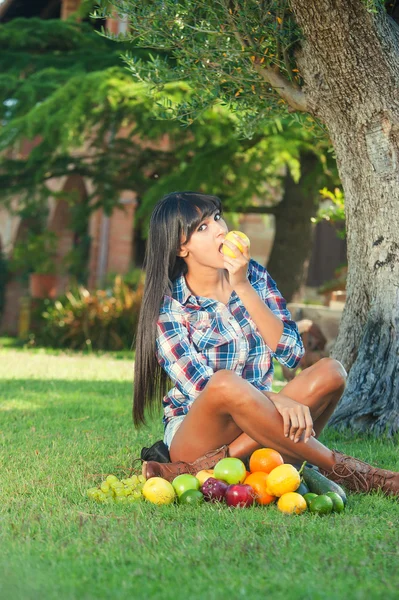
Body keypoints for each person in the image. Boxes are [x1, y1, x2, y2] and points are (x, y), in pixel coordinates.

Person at [133, 191, 399, 496]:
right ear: (181, 247)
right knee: (224, 382)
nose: (220, 229)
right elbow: (205, 388)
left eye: (217, 217)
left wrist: (242, 285)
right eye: (202, 228)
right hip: (198, 432)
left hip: (261, 425)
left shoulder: (254, 276)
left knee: (331, 372)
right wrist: (276, 398)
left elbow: (291, 353)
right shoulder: (170, 308)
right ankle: (354, 472)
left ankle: (199, 472)